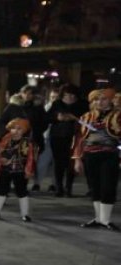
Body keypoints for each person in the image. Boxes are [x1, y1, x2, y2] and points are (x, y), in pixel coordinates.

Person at [73, 88, 120, 231]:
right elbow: (79, 139)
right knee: (94, 187)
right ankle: (98, 218)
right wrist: (77, 159)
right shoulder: (86, 116)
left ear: (110, 100)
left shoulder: (118, 116)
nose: (99, 102)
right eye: (96, 99)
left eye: (103, 99)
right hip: (90, 155)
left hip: (110, 154)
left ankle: (106, 220)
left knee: (108, 187)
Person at [0, 118, 36, 222]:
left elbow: (31, 158)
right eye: (13, 128)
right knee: (1, 191)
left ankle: (25, 214)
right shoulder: (5, 140)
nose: (16, 131)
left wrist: (28, 171)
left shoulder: (28, 142)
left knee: (22, 192)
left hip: (20, 171)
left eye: (19, 129)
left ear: (24, 130)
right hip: (5, 170)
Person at [0, 85, 48, 191]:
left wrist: (35, 130)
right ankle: (7, 186)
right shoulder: (13, 106)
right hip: (14, 139)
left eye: (30, 93)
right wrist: (11, 131)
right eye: (25, 93)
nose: (27, 95)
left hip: (32, 139)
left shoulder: (37, 108)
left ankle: (23, 186)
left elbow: (44, 123)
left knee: (27, 162)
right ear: (21, 93)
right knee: (10, 162)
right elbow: (3, 121)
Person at [47, 84, 88, 197]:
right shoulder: (57, 104)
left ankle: (68, 187)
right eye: (66, 95)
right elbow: (48, 118)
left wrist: (74, 118)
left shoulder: (82, 105)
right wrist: (57, 117)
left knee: (71, 163)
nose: (69, 97)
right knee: (58, 163)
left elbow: (87, 119)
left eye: (72, 95)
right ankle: (59, 188)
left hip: (74, 136)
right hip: (57, 136)